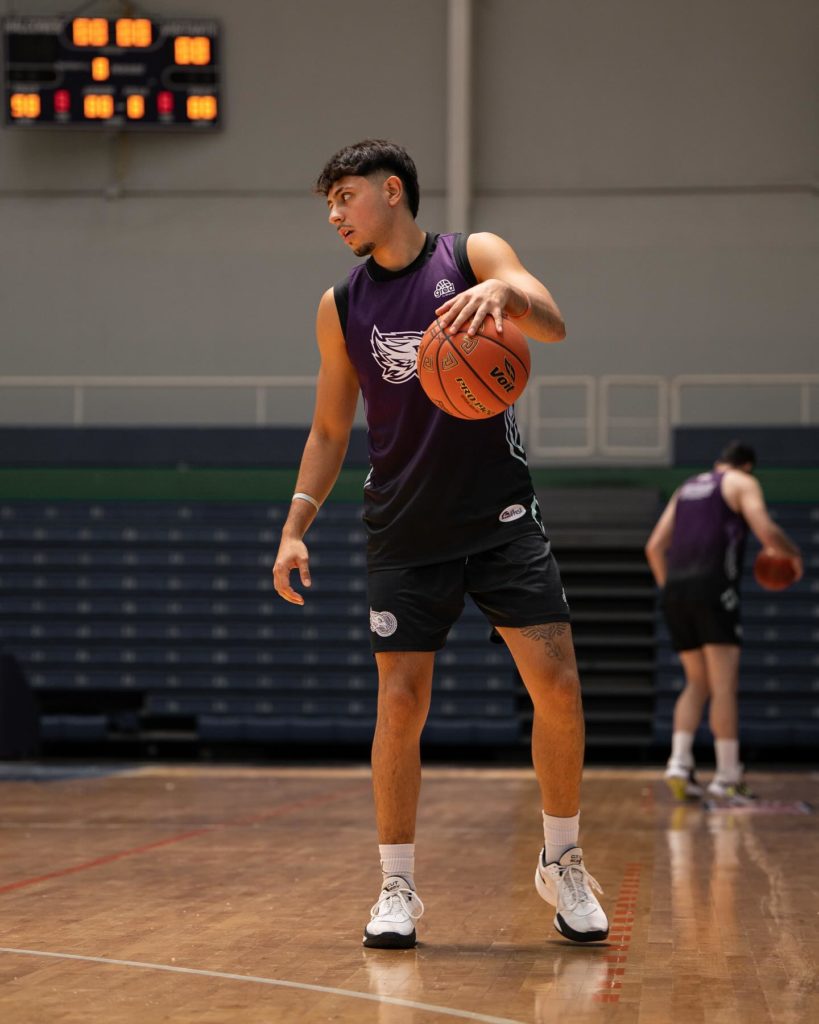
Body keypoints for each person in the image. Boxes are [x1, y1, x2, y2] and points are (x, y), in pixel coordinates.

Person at [273, 139, 608, 948]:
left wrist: (505, 292)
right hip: (404, 524)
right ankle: (396, 885)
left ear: (391, 190)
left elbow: (553, 323)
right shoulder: (340, 304)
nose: (334, 215)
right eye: (328, 204)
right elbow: (329, 429)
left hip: (499, 515)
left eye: (344, 196)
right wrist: (293, 527)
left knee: (558, 685)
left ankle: (562, 861)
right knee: (400, 704)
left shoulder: (472, 254)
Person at [645, 441, 803, 803]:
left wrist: (671, 591)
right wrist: (794, 555)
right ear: (747, 466)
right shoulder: (742, 482)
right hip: (714, 590)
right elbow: (766, 532)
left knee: (696, 681)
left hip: (675, 593)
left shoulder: (686, 487)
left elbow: (653, 547)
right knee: (722, 686)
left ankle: (678, 763)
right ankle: (728, 777)